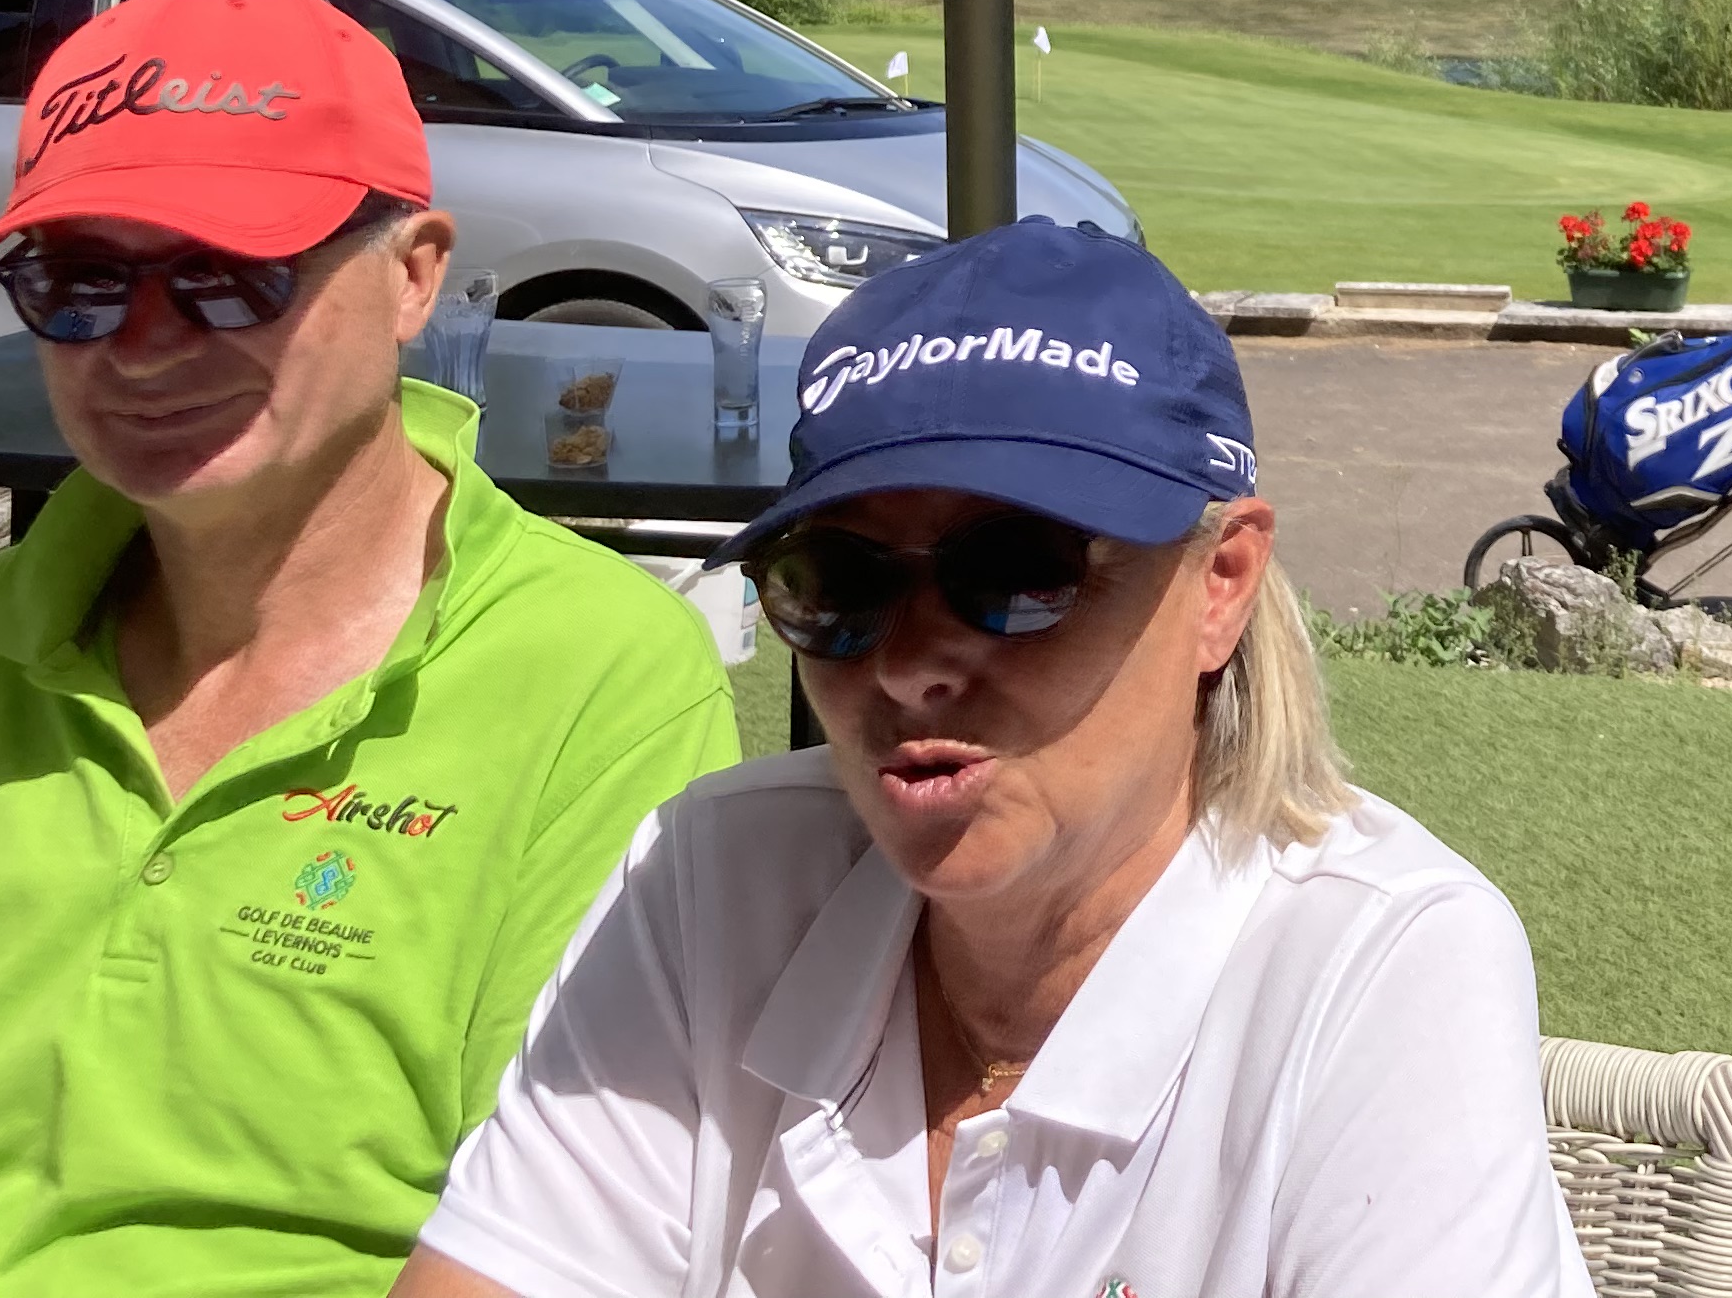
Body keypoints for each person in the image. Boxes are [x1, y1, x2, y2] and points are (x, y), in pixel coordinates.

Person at [403, 218, 1590, 1298]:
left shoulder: (1381, 963)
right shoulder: (716, 875)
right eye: (836, 582)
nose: (911, 666)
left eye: (1017, 574)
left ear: (1220, 584)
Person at [0, 0, 742, 1295]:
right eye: (77, 281)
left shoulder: (597, 677)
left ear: (414, 276)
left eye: (225, 276)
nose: (139, 346)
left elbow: (577, 1231)